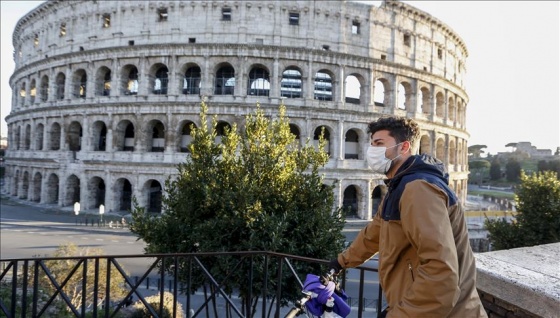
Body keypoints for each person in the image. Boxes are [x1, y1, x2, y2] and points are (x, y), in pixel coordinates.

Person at [329, 116, 487, 317]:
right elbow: (373, 234)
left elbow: (440, 270)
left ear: (404, 148)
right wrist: (341, 261)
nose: (371, 151)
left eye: (379, 144)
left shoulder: (418, 189)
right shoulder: (400, 186)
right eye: (371, 145)